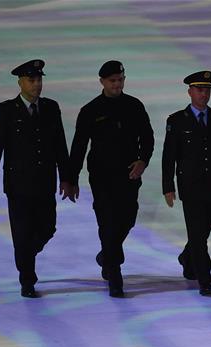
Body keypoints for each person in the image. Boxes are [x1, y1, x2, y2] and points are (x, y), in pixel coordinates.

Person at [0, 59, 73, 298]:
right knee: (22, 233)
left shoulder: (51, 108)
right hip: (18, 186)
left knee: (47, 227)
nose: (37, 85)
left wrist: (67, 178)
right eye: (31, 80)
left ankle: (25, 255)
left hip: (45, 183)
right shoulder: (6, 110)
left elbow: (59, 146)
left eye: (39, 79)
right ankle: (27, 280)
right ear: (20, 82)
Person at [69, 60, 154, 298]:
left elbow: (148, 137)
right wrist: (71, 178)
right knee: (107, 222)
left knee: (127, 219)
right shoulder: (90, 110)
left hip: (129, 175)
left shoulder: (134, 106)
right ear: (102, 82)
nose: (117, 85)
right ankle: (115, 274)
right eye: (112, 81)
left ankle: (107, 255)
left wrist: (143, 160)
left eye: (120, 80)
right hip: (102, 177)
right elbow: (78, 146)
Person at [161, 71, 211, 296]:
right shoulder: (176, 120)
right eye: (199, 89)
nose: (204, 94)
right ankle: (205, 279)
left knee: (204, 228)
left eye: (207, 90)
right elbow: (169, 156)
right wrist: (168, 186)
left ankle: (187, 256)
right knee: (197, 231)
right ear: (190, 91)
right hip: (190, 186)